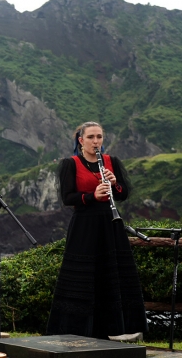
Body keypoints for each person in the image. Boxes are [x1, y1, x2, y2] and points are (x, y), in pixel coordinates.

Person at [46, 121, 147, 339]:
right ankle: (77, 330)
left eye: (99, 137)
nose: (96, 142)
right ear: (81, 140)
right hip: (84, 225)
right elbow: (68, 197)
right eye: (91, 137)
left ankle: (110, 329)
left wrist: (114, 183)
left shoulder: (111, 162)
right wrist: (93, 196)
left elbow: (123, 193)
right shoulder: (70, 164)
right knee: (83, 277)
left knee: (110, 275)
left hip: (110, 223)